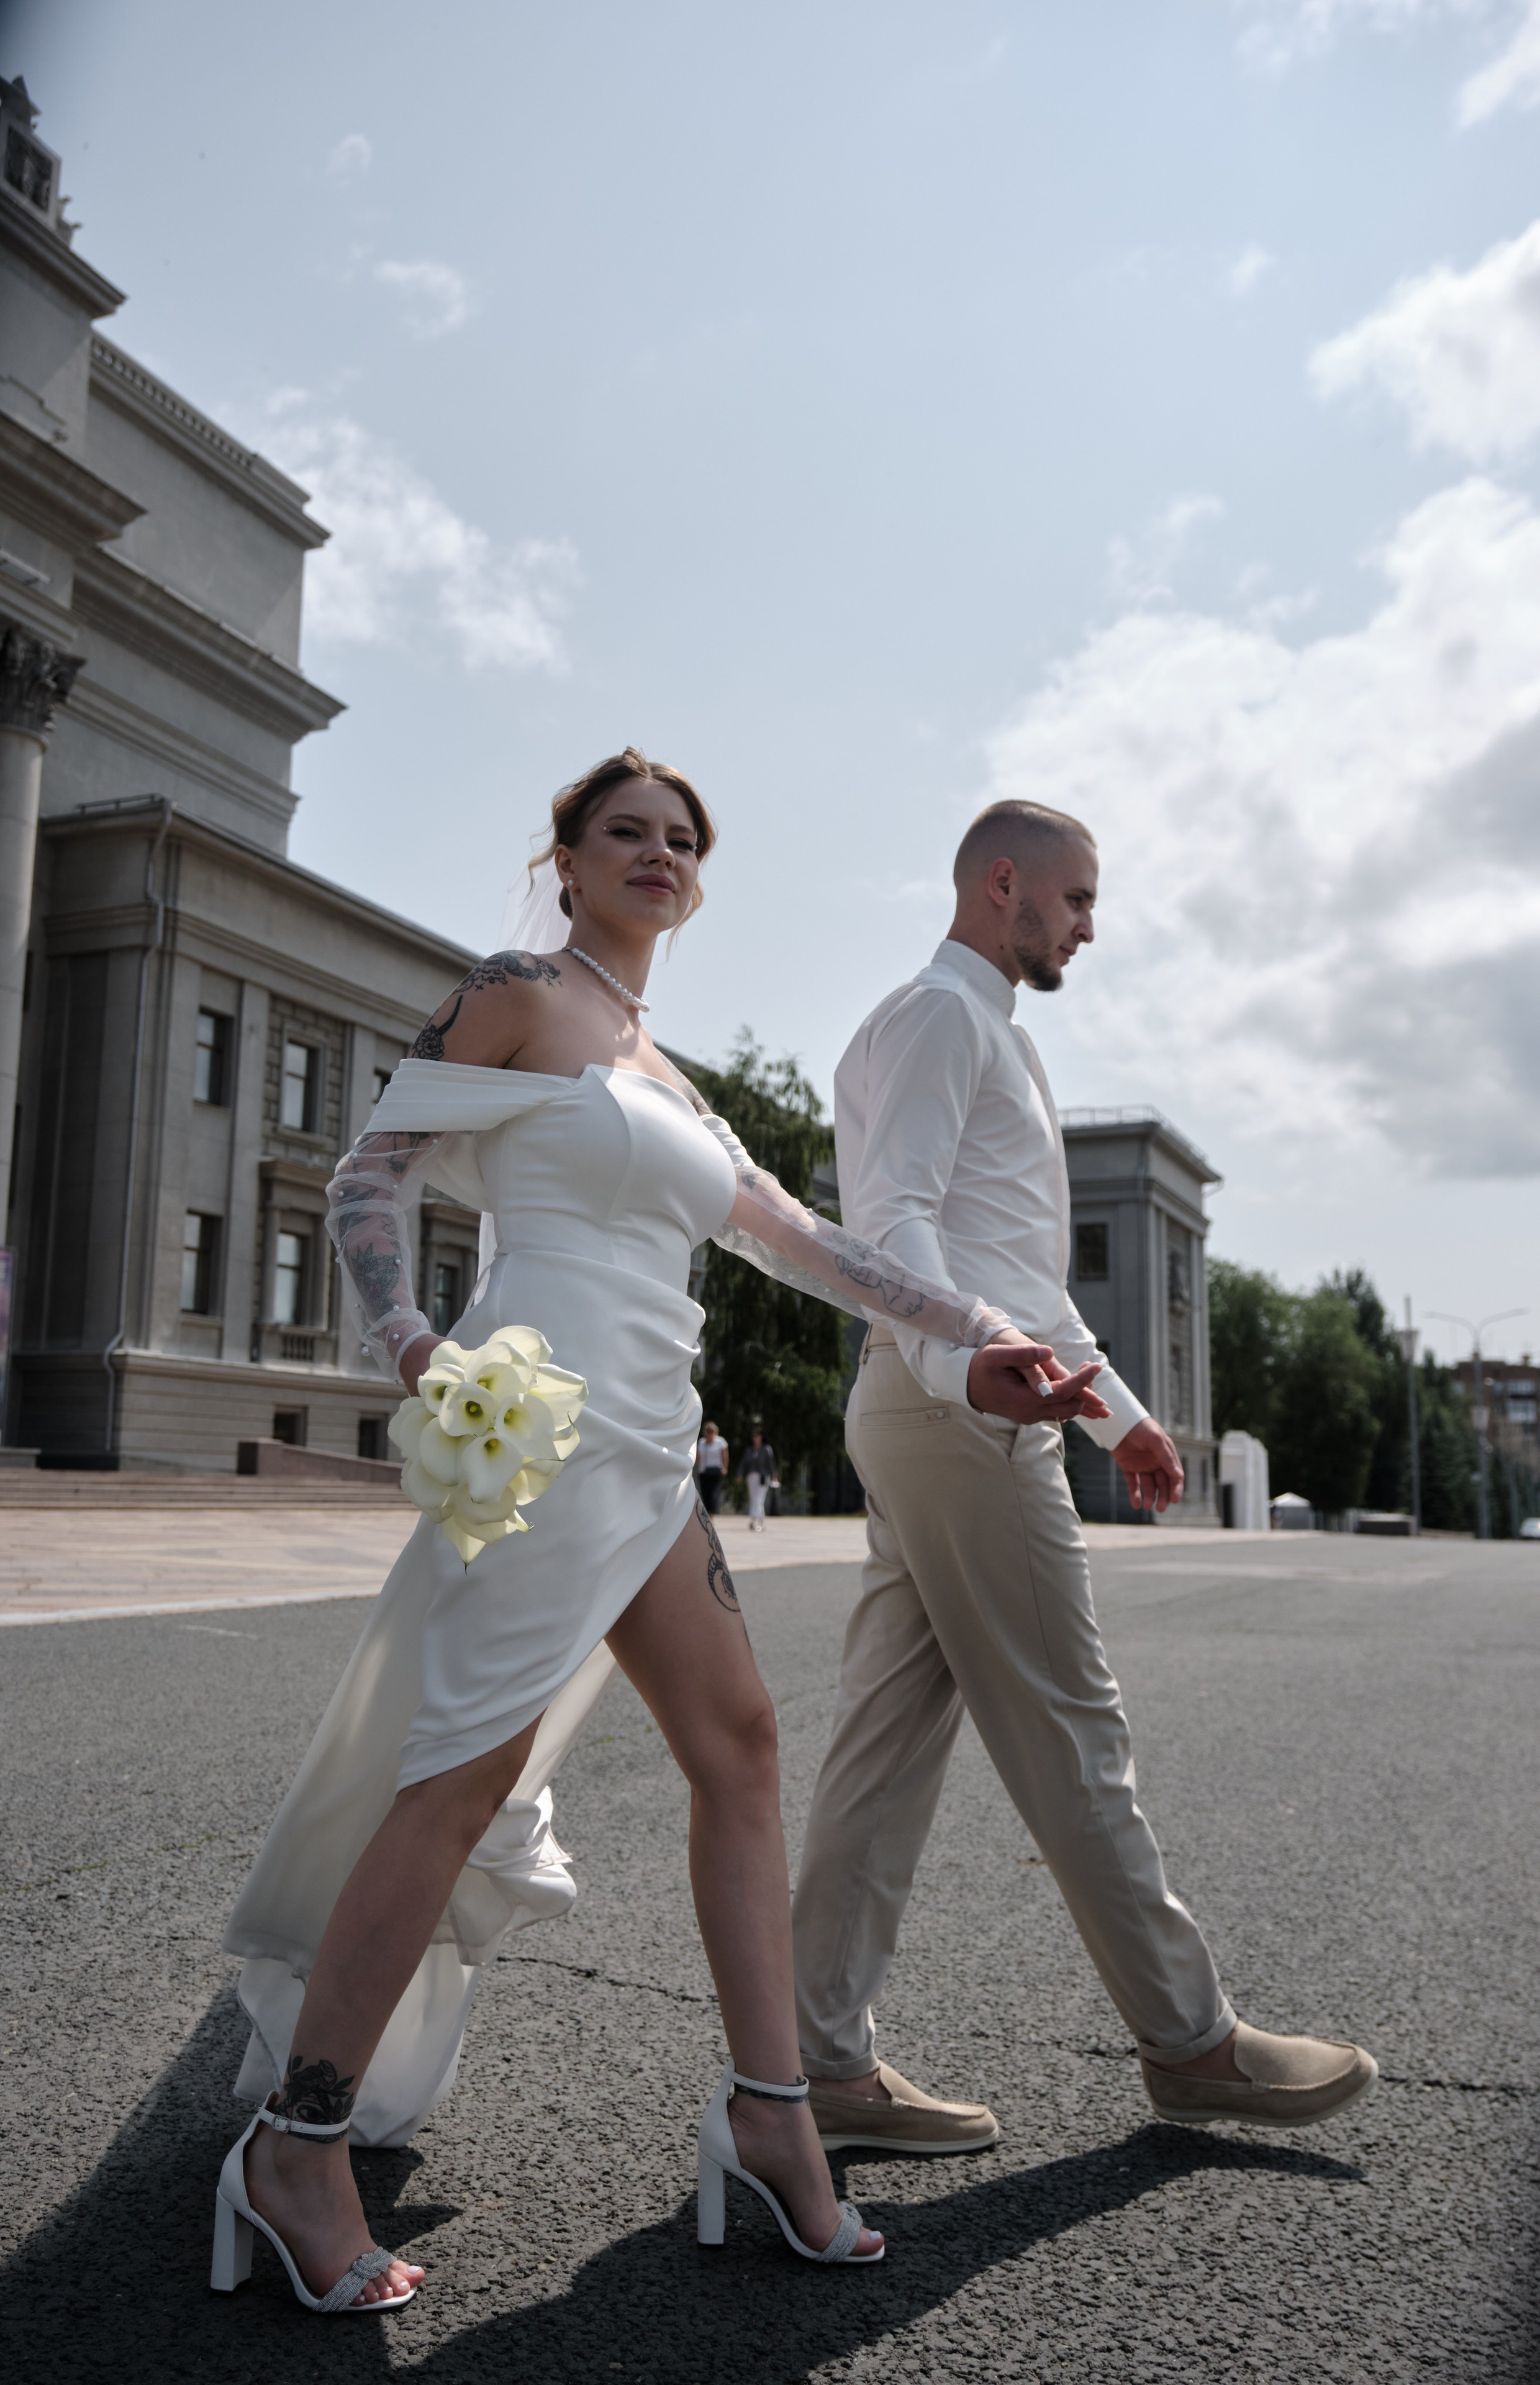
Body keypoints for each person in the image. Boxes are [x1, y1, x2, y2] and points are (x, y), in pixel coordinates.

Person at [212, 752, 1070, 2314]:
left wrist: (973, 1340)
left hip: (652, 1444)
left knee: (739, 1742)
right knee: (462, 1771)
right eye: (626, 831)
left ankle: (769, 2114)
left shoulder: (669, 1078)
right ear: (566, 856)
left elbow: (812, 1245)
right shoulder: (516, 993)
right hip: (533, 1423)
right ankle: (296, 2139)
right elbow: (370, 1170)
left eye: (682, 838)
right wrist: (411, 1337)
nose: (658, 853)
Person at [790, 798, 1379, 2156]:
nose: (1090, 926)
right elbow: (891, 1230)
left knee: (881, 1752)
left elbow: (1011, 1268)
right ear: (1004, 885)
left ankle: (819, 2064)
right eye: (1076, 900)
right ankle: (1193, 2043)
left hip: (944, 1398)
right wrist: (966, 1372)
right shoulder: (940, 1021)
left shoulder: (974, 1027)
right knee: (1071, 1730)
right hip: (960, 1415)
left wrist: (1119, 1413)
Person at [740, 1427, 779, 1530]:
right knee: (753, 1499)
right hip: (751, 1476)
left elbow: (771, 1464)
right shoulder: (749, 1450)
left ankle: (758, 1521)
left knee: (759, 1499)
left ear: (761, 1437)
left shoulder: (766, 1449)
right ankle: (756, 1521)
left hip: (763, 1477)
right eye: (753, 1436)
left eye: (757, 1436)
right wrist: (740, 1474)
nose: (755, 1438)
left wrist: (774, 1476)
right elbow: (744, 1463)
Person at [694, 1420, 728, 1514]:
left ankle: (712, 1514)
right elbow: (698, 1457)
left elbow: (725, 1456)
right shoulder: (702, 1443)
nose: (710, 1434)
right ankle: (706, 1513)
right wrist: (694, 1467)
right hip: (704, 1471)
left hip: (715, 1470)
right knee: (705, 1493)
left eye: (712, 1432)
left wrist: (724, 1467)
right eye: (708, 1432)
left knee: (713, 1494)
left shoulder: (720, 1442)